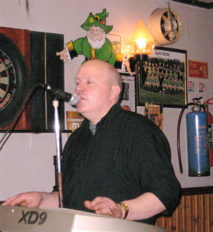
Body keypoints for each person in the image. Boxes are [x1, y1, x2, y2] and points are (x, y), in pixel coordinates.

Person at [3, 60, 181, 225]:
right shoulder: (77, 138)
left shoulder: (139, 131)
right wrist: (41, 198)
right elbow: (66, 197)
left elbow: (166, 193)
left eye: (89, 82)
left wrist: (122, 210)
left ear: (113, 92)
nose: (79, 88)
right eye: (78, 82)